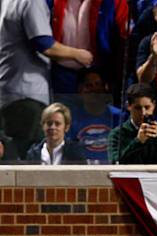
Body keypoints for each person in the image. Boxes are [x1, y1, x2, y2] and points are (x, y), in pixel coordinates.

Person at [0, 0, 93, 160]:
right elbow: (43, 43)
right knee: (27, 158)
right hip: (26, 95)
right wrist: (78, 54)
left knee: (15, 153)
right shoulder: (32, 1)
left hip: (9, 89)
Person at [108, 83, 157, 164]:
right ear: (128, 106)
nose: (143, 112)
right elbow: (116, 163)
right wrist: (138, 142)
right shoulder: (117, 134)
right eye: (138, 108)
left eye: (147, 107)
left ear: (154, 105)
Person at [66, 68, 123, 164]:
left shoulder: (119, 116)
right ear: (80, 89)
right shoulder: (71, 118)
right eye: (89, 85)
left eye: (98, 84)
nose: (94, 89)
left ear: (105, 88)